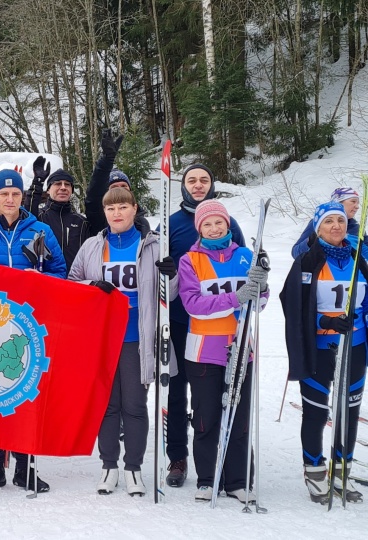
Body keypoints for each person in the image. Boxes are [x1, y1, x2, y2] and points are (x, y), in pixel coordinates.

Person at [281, 201, 368, 504]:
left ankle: (342, 472)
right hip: (319, 349)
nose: (336, 226)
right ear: (318, 227)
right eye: (329, 221)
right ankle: (315, 471)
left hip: (354, 347)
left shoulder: (357, 260)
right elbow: (293, 306)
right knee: (317, 413)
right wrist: (326, 320)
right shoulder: (307, 260)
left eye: (341, 221)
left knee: (349, 412)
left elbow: (367, 307)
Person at [0, 169, 67, 493]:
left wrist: (42, 280)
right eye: (4, 194)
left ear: (23, 197)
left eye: (16, 194)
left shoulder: (40, 230)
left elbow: (59, 271)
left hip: (28, 325)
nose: (10, 199)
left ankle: (26, 467)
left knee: (28, 397)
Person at [68, 187, 179, 497]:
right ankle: (109, 466)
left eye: (122, 207)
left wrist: (171, 275)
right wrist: (93, 284)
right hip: (102, 337)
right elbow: (71, 282)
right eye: (110, 208)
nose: (116, 213)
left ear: (134, 209)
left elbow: (169, 296)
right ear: (105, 213)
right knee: (106, 405)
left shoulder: (154, 245)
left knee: (134, 406)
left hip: (136, 338)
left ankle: (133, 468)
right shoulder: (92, 246)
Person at [173, 200, 269, 502]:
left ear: (228, 225)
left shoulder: (245, 256)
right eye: (207, 224)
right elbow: (194, 305)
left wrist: (260, 288)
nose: (214, 228)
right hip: (203, 351)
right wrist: (236, 297)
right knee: (206, 418)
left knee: (239, 418)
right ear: (199, 228)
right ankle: (207, 478)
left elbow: (260, 305)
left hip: (241, 348)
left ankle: (238, 481)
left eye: (219, 222)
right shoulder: (191, 260)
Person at [163, 161, 246, 488]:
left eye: (204, 180)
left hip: (218, 327)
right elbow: (155, 265)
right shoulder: (171, 224)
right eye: (192, 180)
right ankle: (178, 457)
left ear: (211, 185)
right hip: (181, 321)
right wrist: (164, 269)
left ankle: (217, 457)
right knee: (177, 390)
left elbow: (241, 258)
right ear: (184, 186)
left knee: (210, 394)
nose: (198, 185)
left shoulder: (229, 223)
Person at [83, 130, 150, 237]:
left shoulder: (141, 222)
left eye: (124, 186)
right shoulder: (101, 217)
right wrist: (106, 161)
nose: (120, 190)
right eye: (114, 187)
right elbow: (94, 194)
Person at [291, 187, 368, 260]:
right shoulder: (318, 223)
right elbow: (295, 253)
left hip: (349, 276)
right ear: (339, 203)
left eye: (358, 203)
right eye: (353, 201)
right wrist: (310, 241)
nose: (357, 206)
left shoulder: (356, 228)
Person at [38, 169, 87, 269]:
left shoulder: (82, 222)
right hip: (46, 279)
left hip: (74, 280)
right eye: (58, 183)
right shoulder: (38, 217)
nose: (63, 187)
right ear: (48, 190)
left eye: (67, 184)